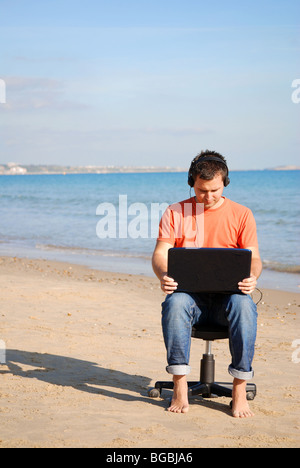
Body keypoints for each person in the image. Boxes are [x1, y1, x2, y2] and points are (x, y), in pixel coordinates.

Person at [152, 150, 262, 418]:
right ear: (192, 182)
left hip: (228, 302)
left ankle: (238, 388)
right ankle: (179, 385)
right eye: (202, 190)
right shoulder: (175, 212)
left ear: (225, 183)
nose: (209, 196)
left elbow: (255, 258)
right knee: (176, 301)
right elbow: (160, 252)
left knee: (244, 304)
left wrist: (252, 277)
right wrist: (163, 275)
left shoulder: (242, 214)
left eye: (215, 190)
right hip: (191, 301)